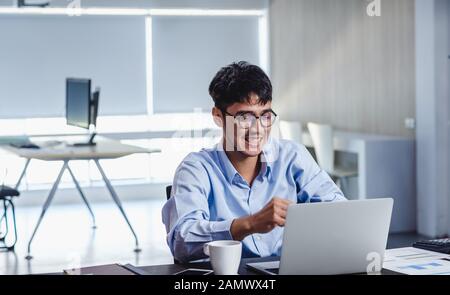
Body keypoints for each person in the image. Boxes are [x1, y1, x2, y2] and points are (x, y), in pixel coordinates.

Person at [162, 61, 346, 263]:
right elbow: (182, 240)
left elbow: (339, 211)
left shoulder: (292, 156)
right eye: (244, 117)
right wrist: (249, 224)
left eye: (265, 116)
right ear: (218, 116)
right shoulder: (195, 169)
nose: (257, 129)